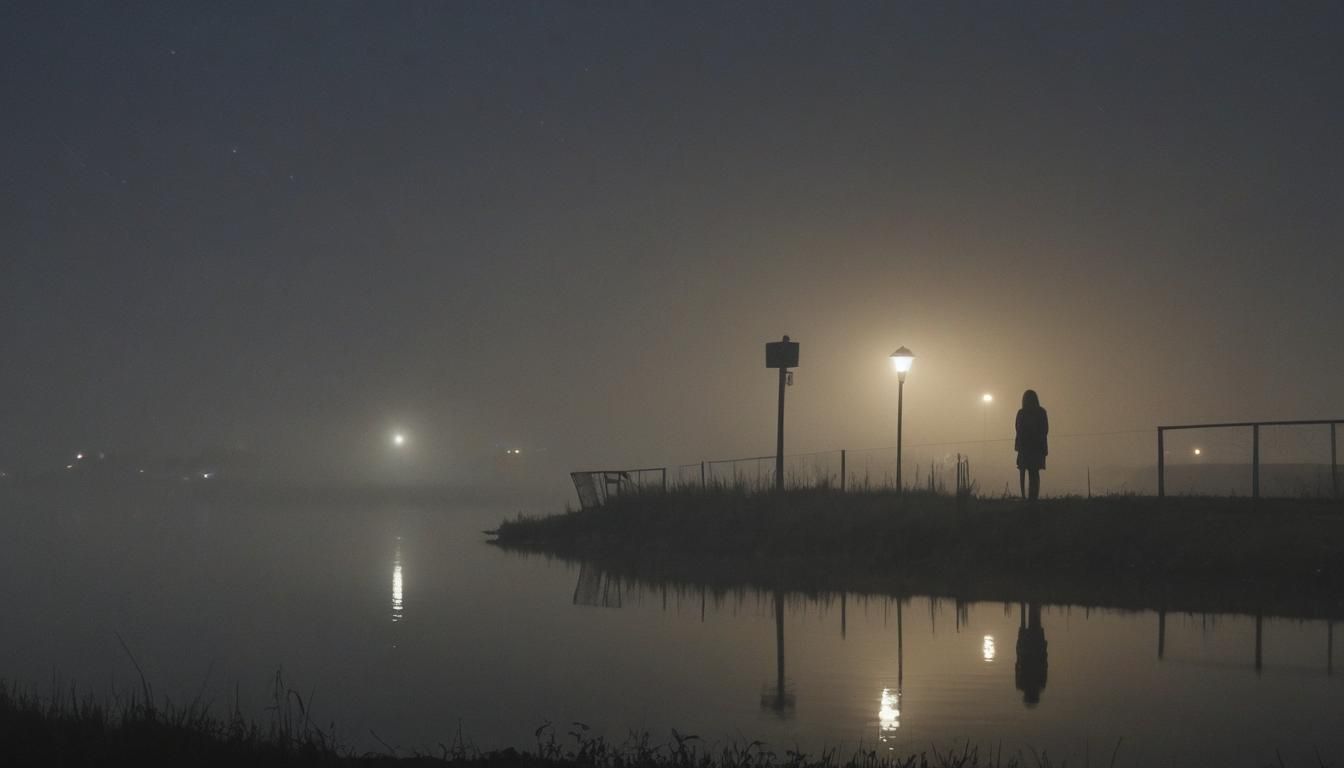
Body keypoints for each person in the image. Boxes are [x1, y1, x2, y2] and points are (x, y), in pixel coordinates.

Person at [1015, 389, 1048, 500]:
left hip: (1025, 447)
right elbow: (1045, 430)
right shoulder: (1041, 412)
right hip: (1036, 448)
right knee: (1034, 473)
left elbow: (1018, 429)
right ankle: (1033, 497)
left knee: (1024, 472)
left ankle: (1025, 497)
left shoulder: (1021, 413)